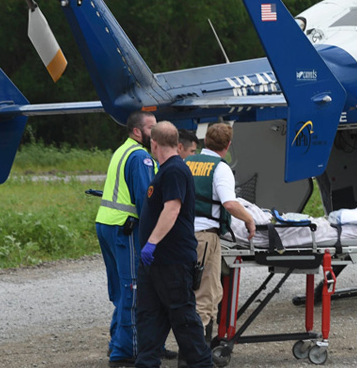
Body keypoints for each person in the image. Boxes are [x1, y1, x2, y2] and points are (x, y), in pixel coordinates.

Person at [97, 111, 175, 366]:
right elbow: (146, 199)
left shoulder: (122, 150)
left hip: (107, 224)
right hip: (126, 229)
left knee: (120, 289)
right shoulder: (141, 157)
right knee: (133, 289)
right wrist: (155, 236)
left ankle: (117, 342)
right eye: (152, 128)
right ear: (138, 132)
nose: (156, 133)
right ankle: (126, 352)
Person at [135, 121, 212, 368]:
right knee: (149, 314)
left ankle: (202, 363)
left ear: (153, 143)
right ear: (176, 142)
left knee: (183, 315)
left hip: (172, 259)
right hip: (156, 260)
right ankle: (146, 362)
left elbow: (173, 208)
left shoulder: (174, 171)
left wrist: (152, 243)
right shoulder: (164, 170)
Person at [184, 123, 256, 340]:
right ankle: (196, 355)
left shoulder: (186, 162)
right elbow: (230, 204)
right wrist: (250, 220)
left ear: (205, 140)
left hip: (182, 235)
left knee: (190, 292)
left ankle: (192, 350)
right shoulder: (220, 168)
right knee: (205, 295)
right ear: (228, 145)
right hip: (205, 237)